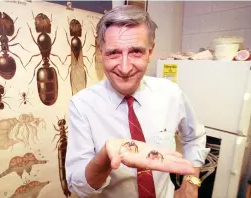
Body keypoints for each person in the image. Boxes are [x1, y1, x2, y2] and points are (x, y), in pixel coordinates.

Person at [65, 5, 210, 198]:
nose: (125, 68)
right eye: (113, 53)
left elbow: (195, 136)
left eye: (136, 52)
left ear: (150, 51)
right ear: (100, 53)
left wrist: (191, 184)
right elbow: (78, 186)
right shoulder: (81, 105)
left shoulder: (170, 93)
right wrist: (105, 157)